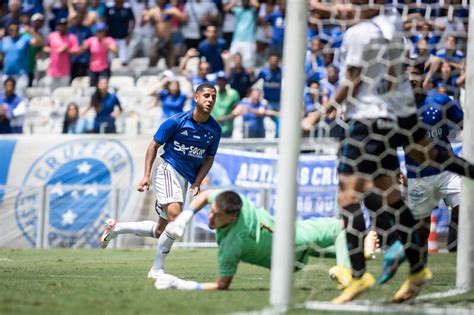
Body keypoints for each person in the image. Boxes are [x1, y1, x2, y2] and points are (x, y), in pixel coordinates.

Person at [301, 3, 431, 304]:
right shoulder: (390, 25)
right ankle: (418, 269)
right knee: (391, 198)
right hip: (388, 118)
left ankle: (359, 275)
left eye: (345, 2)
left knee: (348, 198)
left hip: (365, 123)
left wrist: (317, 114)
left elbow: (352, 80)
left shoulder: (359, 34)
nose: (340, 8)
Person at [98, 83, 222, 280]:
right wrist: (146, 175)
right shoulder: (176, 121)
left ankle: (117, 228)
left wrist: (197, 182)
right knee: (176, 219)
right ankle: (156, 269)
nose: (210, 100)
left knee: (161, 230)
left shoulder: (215, 129)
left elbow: (209, 158)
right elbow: (154, 145)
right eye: (206, 95)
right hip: (168, 169)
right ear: (196, 98)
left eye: (213, 97)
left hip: (185, 179)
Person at [150, 189, 378, 291]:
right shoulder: (239, 202)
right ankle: (357, 255)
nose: (210, 215)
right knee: (341, 229)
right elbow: (206, 196)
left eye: (216, 214)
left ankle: (346, 266)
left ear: (232, 216)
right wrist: (185, 217)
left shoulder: (231, 245)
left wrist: (182, 284)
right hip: (294, 240)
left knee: (341, 228)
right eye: (212, 211)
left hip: (290, 259)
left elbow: (222, 285)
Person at [43, 18, 80, 91]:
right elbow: (45, 48)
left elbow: (77, 51)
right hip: (52, 71)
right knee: (49, 93)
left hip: (64, 72)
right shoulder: (51, 36)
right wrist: (53, 50)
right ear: (57, 26)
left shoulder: (72, 37)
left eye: (64, 25)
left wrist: (67, 50)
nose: (62, 27)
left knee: (63, 93)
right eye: (61, 25)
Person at [80, 22, 117, 87]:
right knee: (93, 87)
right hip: (93, 68)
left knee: (103, 86)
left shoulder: (108, 40)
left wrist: (107, 45)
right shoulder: (91, 40)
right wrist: (83, 44)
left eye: (101, 31)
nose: (100, 33)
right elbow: (81, 49)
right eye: (98, 31)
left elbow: (115, 50)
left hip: (104, 68)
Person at [211, 71, 240, 138]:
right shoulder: (212, 93)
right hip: (213, 129)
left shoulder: (233, 93)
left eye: (223, 80)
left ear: (226, 81)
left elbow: (236, 111)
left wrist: (224, 118)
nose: (221, 82)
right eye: (219, 80)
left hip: (227, 130)